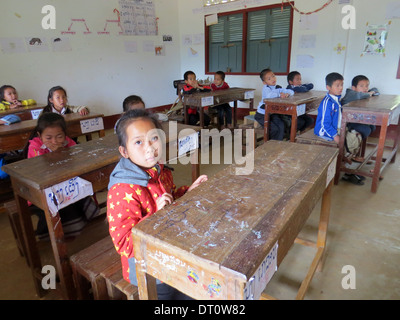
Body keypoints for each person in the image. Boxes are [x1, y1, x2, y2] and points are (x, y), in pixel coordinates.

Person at [107, 109, 208, 299]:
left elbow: (170, 199)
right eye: (138, 142)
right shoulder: (122, 190)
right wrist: (156, 216)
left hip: (171, 249)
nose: (149, 148)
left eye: (154, 138)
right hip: (147, 269)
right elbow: (124, 245)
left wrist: (188, 192)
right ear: (124, 151)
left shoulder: (159, 170)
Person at [23, 113, 99, 239]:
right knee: (63, 203)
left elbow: (78, 158)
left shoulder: (68, 142)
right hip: (41, 190)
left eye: (59, 136)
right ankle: (56, 234)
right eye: (48, 138)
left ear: (65, 134)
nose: (54, 141)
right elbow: (39, 170)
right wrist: (55, 154)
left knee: (81, 194)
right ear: (39, 135)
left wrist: (62, 151)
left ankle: (78, 225)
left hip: (65, 183)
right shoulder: (35, 147)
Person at [314, 72, 365, 185]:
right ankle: (344, 168)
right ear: (328, 87)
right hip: (326, 132)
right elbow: (325, 124)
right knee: (349, 141)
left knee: (355, 136)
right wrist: (335, 136)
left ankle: (345, 164)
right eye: (337, 85)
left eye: (342, 84)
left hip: (336, 129)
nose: (341, 88)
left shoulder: (337, 99)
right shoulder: (327, 102)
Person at [254, 68, 294, 140]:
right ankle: (271, 144)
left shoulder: (277, 87)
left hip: (272, 113)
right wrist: (280, 95)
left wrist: (287, 93)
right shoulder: (266, 88)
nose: (273, 79)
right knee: (274, 129)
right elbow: (270, 95)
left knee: (281, 125)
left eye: (273, 76)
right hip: (262, 115)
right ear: (264, 82)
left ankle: (278, 143)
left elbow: (291, 91)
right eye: (269, 78)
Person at [341, 75, 378, 146]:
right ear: (353, 88)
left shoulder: (363, 93)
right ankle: (350, 144)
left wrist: (372, 92)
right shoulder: (351, 93)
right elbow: (360, 95)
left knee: (372, 126)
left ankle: (357, 143)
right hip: (347, 122)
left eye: (367, 86)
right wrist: (369, 93)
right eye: (361, 86)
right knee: (366, 130)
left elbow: (375, 89)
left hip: (356, 118)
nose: (365, 88)